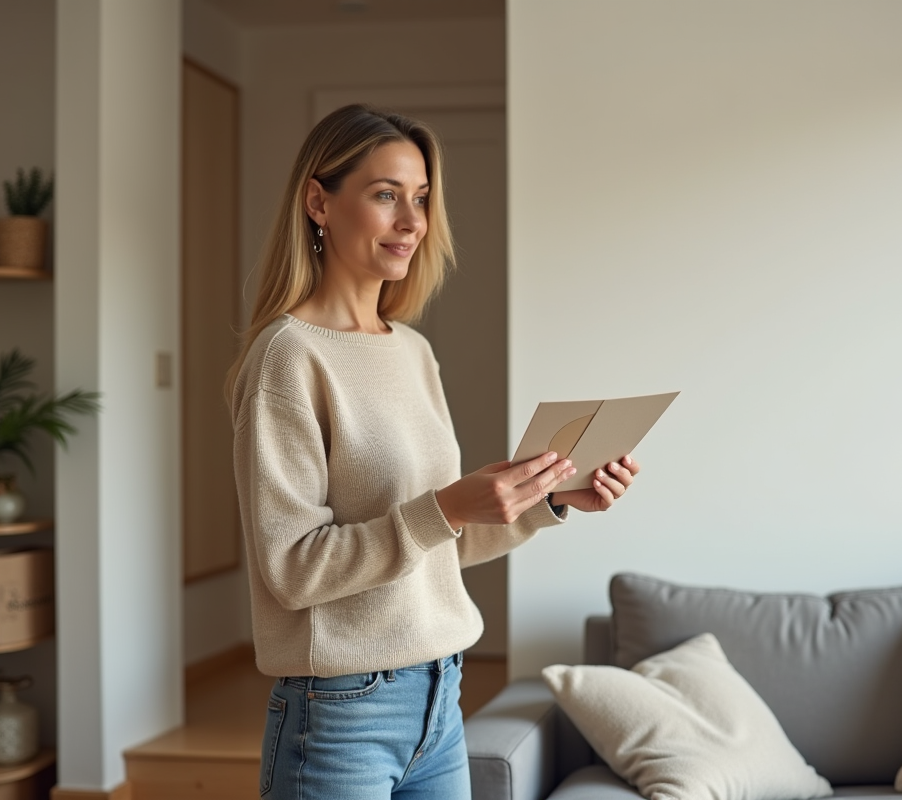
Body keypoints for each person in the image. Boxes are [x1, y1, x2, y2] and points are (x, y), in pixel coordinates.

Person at [227, 104, 640, 800]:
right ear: (318, 202)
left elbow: (433, 549)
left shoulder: (412, 351)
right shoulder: (288, 358)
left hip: (441, 698)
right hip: (338, 716)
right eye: (386, 195)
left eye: (420, 199)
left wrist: (545, 500)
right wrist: (443, 509)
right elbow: (291, 569)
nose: (412, 222)